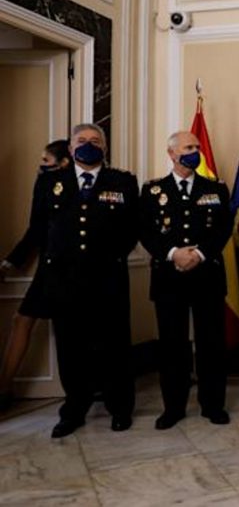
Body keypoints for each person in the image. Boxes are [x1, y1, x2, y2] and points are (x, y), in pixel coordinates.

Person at [29, 124, 139, 437]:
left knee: (115, 345)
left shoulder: (123, 181)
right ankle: (74, 409)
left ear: (105, 147)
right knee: (70, 347)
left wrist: (113, 255)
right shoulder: (51, 182)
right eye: (81, 141)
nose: (88, 145)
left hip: (109, 278)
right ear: (70, 146)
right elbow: (38, 226)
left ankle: (120, 408)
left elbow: (133, 227)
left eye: (95, 141)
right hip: (64, 280)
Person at [139, 131, 233, 429]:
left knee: (211, 345)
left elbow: (223, 228)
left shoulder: (216, 189)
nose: (195, 151)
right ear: (172, 153)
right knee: (172, 346)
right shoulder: (153, 190)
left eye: (197, 146)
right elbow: (145, 231)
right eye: (188, 147)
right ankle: (174, 407)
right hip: (169, 278)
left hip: (207, 276)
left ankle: (213, 405)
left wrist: (200, 254)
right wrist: (173, 253)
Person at [0, 140, 72, 410]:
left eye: (46, 161)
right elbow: (36, 229)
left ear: (64, 162)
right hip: (49, 267)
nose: (41, 166)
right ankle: (4, 387)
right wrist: (10, 263)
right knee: (22, 319)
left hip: (74, 269)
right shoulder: (44, 184)